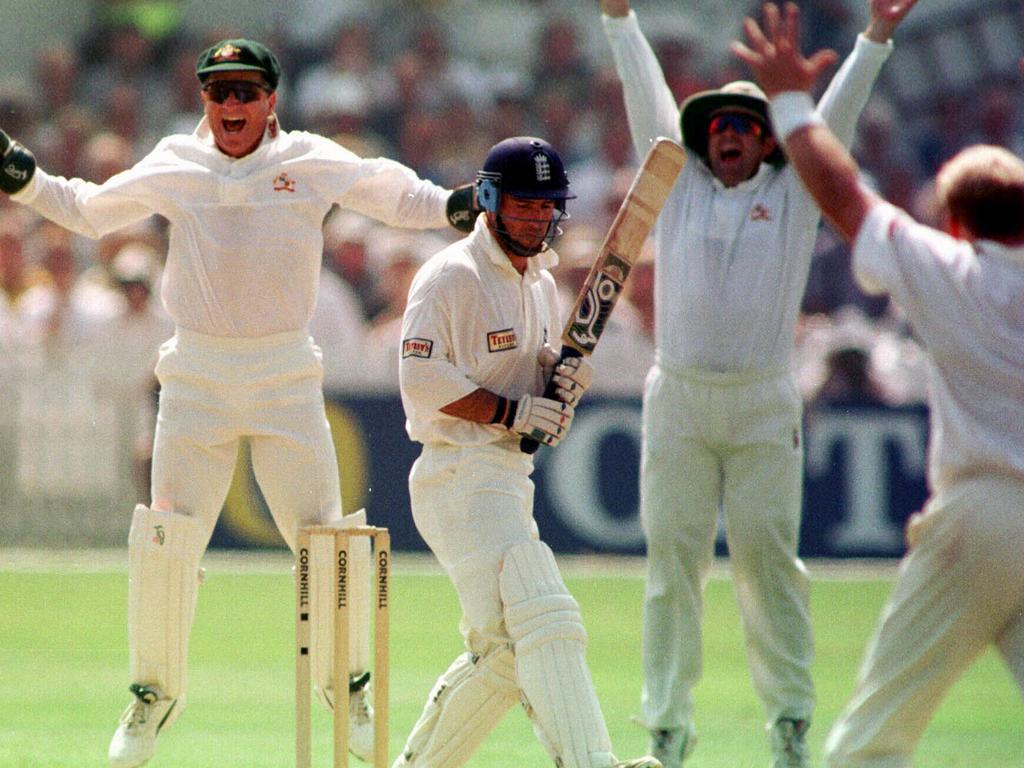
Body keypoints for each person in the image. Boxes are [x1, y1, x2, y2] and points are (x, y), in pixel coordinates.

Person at [0, 37, 476, 768]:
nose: (232, 105)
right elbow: (92, 211)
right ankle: (154, 695)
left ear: (270, 100)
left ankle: (345, 688)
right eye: (219, 92)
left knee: (327, 540)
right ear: (204, 100)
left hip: (285, 374)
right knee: (166, 537)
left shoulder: (308, 158)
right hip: (195, 374)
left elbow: (388, 190)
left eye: (245, 92)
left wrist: (451, 205)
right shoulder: (176, 161)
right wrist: (24, 178)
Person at [597, 1, 915, 765]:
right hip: (678, 396)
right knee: (672, 566)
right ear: (705, 139)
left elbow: (827, 133)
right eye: (719, 129)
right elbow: (649, 107)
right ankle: (668, 731)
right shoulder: (676, 186)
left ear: (766, 139)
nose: (730, 136)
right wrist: (619, 20)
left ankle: (790, 729)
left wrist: (874, 40)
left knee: (769, 567)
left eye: (745, 128)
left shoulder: (794, 191)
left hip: (764, 403)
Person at [735, 5, 1024, 766]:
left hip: (984, 510)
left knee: (868, 748)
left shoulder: (952, 269)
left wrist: (790, 101)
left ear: (956, 225)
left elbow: (842, 194)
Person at [396, 135, 659, 768]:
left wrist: (555, 380)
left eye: (548, 207)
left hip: (508, 472)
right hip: (457, 471)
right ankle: (593, 761)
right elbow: (424, 383)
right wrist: (515, 410)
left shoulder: (540, 285)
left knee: (508, 652)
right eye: (524, 206)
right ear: (487, 199)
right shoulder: (450, 275)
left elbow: (526, 378)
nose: (538, 219)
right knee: (545, 612)